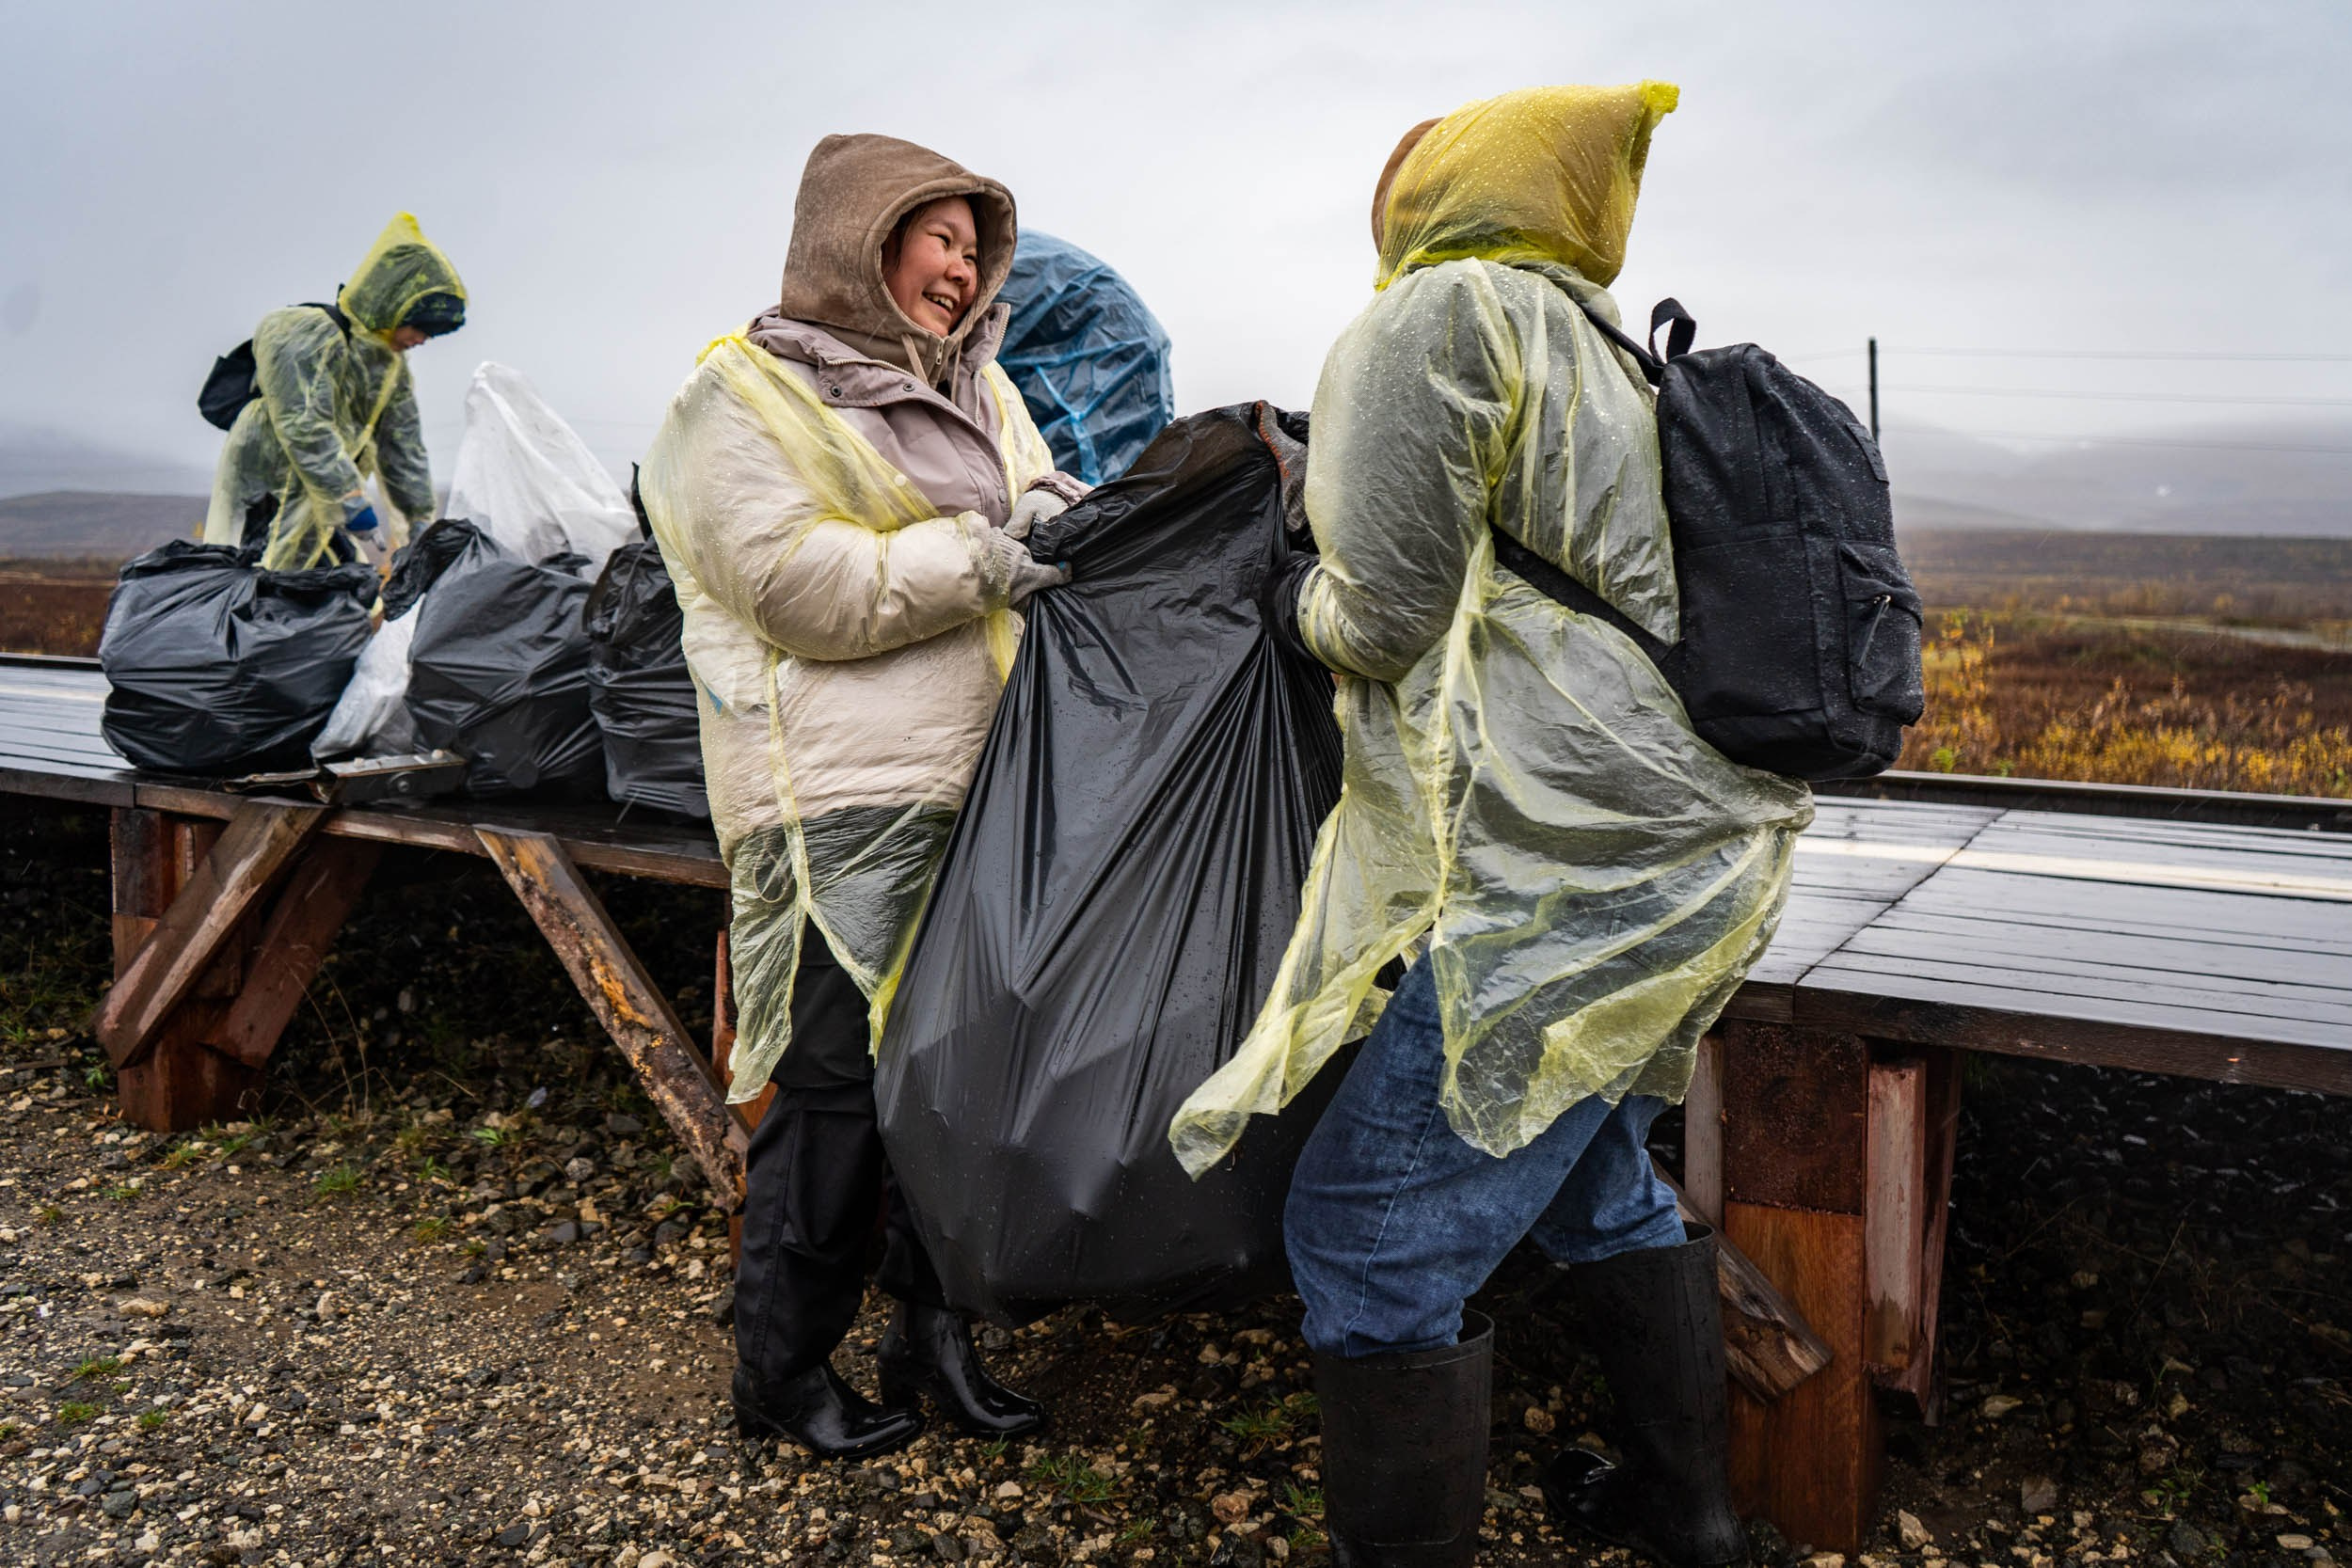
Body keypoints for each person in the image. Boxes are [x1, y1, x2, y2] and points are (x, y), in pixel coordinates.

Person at [1169, 86, 1817, 1567]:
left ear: (1446, 190)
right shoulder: (1612, 351)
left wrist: (1284, 595)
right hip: (1706, 845)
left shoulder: (1443, 316)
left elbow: (1386, 618)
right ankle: (1689, 1515)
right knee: (1594, 1175)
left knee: (1364, 1232)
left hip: (1570, 862)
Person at [637, 133, 1087, 1461]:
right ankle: (777, 1366)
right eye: (936, 238)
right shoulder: (741, 394)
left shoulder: (976, 387)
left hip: (978, 782)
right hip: (836, 803)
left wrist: (1081, 518)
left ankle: (932, 1339)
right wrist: (993, 554)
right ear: (856, 237)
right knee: (834, 1095)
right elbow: (798, 585)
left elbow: (1038, 495)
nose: (959, 269)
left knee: (955, 1083)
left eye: (971, 244)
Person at [201, 213, 466, 570]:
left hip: (319, 501)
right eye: (420, 327)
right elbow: (304, 424)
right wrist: (350, 498)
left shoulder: (388, 368)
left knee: (332, 592)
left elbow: (402, 446)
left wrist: (418, 519)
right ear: (393, 306)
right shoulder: (301, 333)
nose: (423, 340)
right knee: (251, 579)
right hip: (265, 487)